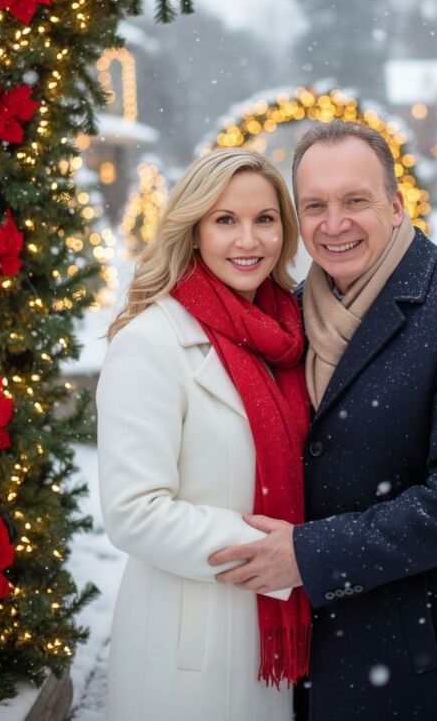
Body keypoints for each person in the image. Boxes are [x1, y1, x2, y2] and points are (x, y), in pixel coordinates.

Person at [208, 121, 437, 721]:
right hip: (307, 655)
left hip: (418, 660)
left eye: (355, 201)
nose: (334, 224)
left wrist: (310, 554)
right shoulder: (289, 318)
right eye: (315, 206)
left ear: (395, 204)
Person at [96, 149, 312, 721]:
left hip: (274, 638)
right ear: (194, 231)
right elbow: (134, 512)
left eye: (265, 219)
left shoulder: (288, 338)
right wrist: (276, 554)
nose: (249, 240)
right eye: (225, 220)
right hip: (190, 641)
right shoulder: (150, 342)